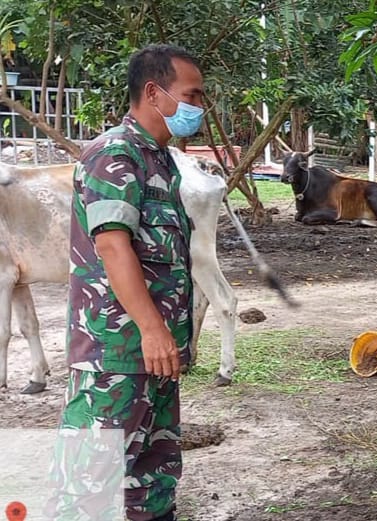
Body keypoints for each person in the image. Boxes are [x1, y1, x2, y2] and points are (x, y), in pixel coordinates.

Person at [46, 44, 205, 521]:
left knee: (151, 482)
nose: (200, 107)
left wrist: (168, 338)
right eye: (192, 95)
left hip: (156, 356)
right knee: (91, 489)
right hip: (116, 355)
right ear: (154, 93)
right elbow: (113, 247)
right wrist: (153, 330)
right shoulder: (113, 155)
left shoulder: (159, 160)